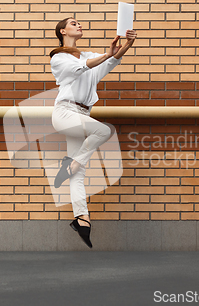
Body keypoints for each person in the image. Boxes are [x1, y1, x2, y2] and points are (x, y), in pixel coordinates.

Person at [49, 17, 137, 248]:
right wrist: (108, 54)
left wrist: (125, 46)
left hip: (82, 116)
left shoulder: (88, 54)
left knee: (79, 175)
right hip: (65, 113)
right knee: (104, 130)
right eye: (74, 23)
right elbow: (83, 67)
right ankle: (71, 164)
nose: (79, 25)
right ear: (62, 30)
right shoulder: (59, 58)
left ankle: (82, 219)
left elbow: (108, 63)